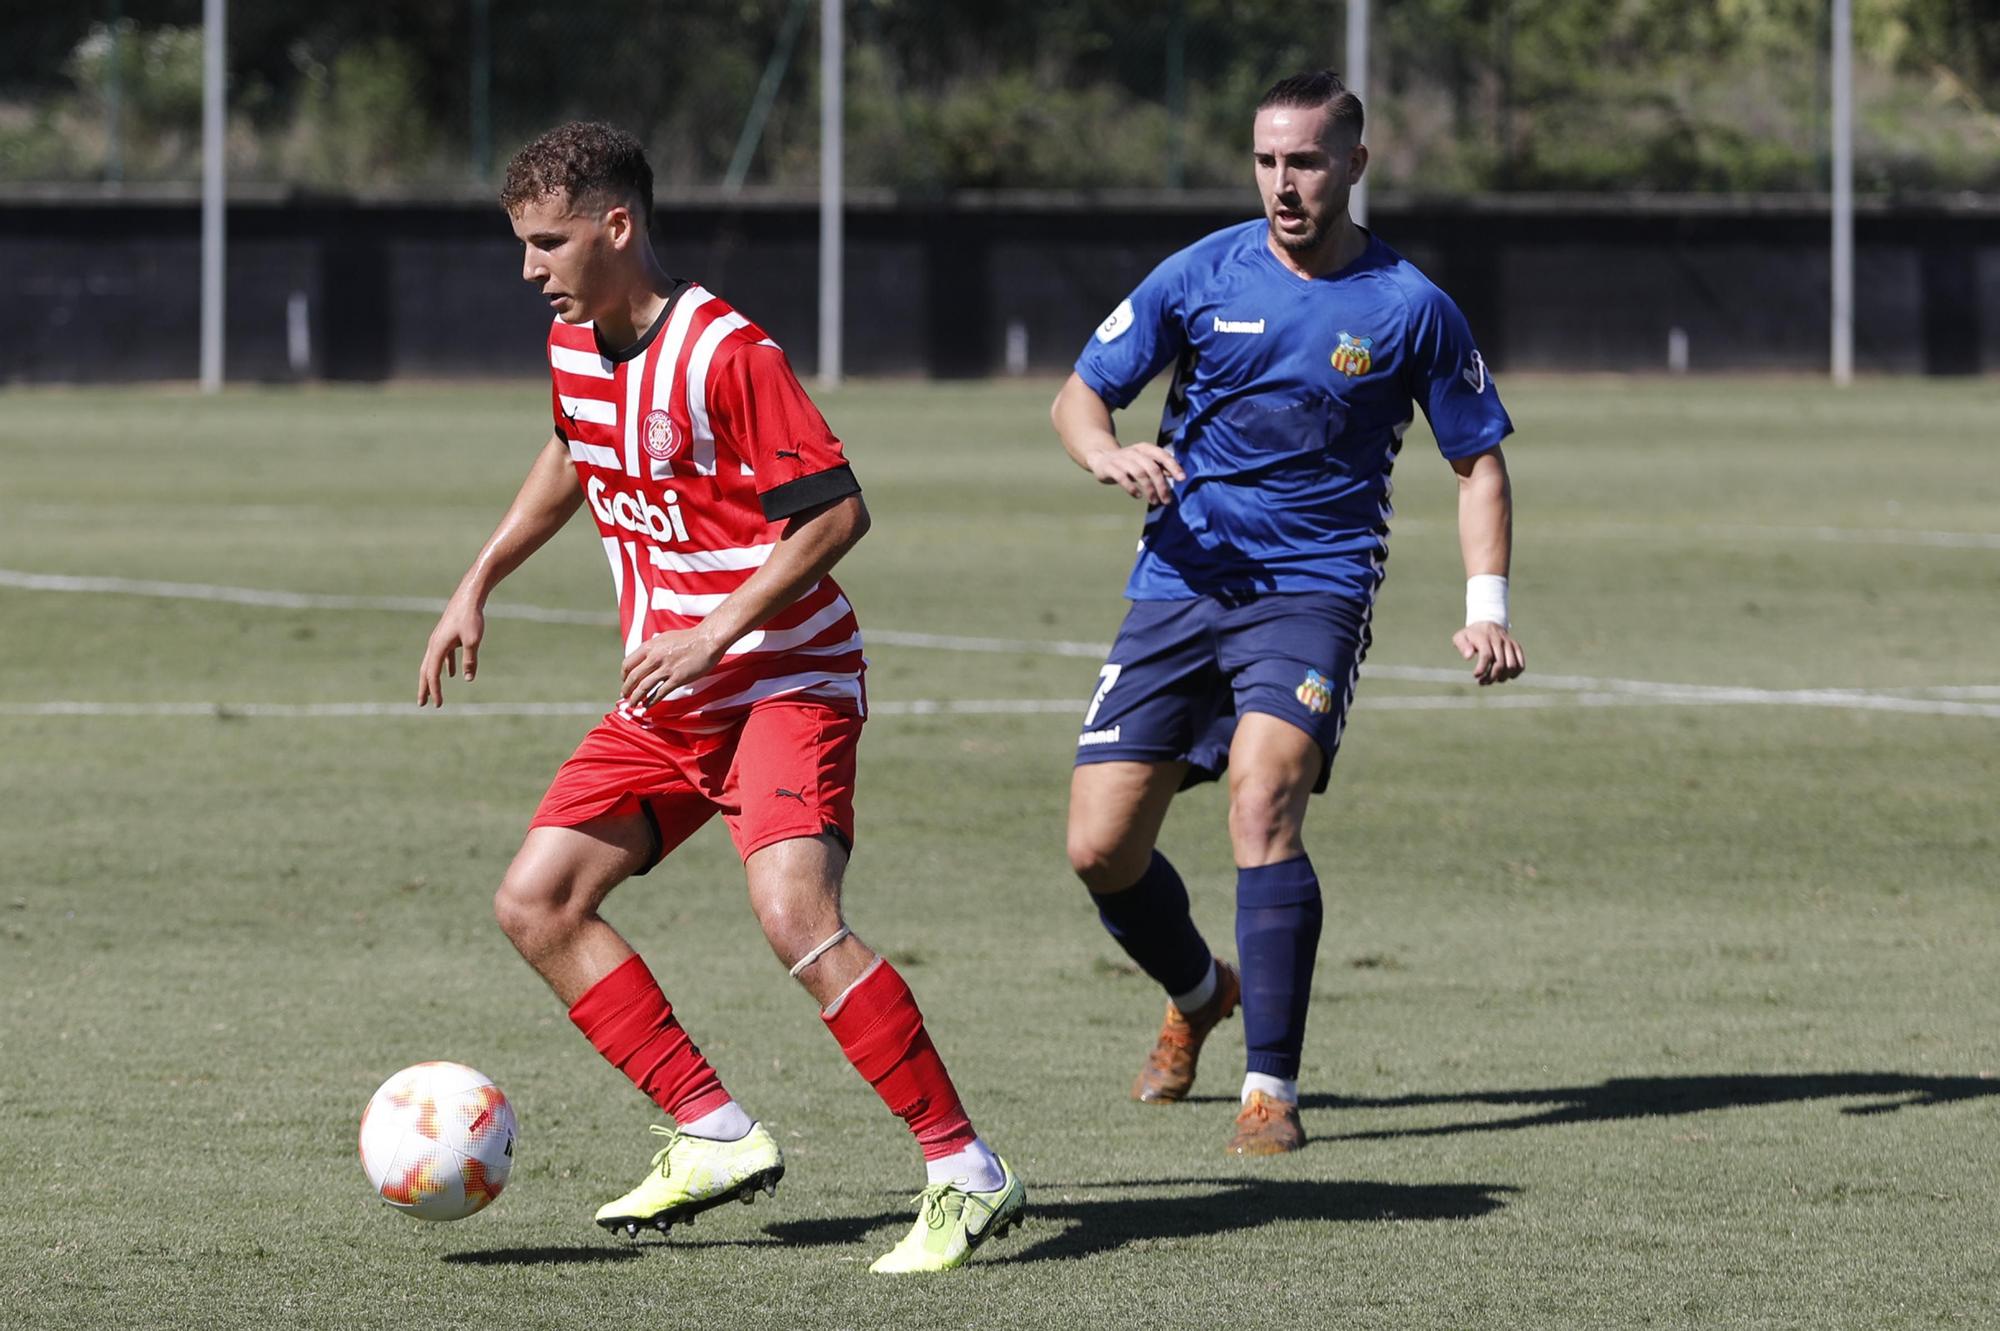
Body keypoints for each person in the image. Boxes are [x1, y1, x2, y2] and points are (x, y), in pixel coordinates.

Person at [416, 121, 1023, 1272]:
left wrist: (713, 628)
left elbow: (837, 513)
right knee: (536, 900)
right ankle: (712, 1129)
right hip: (673, 692)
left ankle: (965, 1168)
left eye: (547, 243)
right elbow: (570, 454)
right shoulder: (573, 345)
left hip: (783, 675)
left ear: (616, 225)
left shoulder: (724, 350)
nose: (529, 267)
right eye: (521, 244)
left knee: (794, 912)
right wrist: (477, 577)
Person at [1050, 71, 1525, 1156]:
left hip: (1311, 590)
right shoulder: (1200, 272)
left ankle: (1269, 1085)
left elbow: (1477, 463)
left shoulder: (1409, 305)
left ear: (1353, 164)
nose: (1282, 184)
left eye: (1305, 161)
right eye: (1266, 161)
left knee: (1263, 801)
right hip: (1178, 582)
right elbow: (1080, 391)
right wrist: (1102, 449)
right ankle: (1196, 987)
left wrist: (1484, 606)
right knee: (1098, 848)